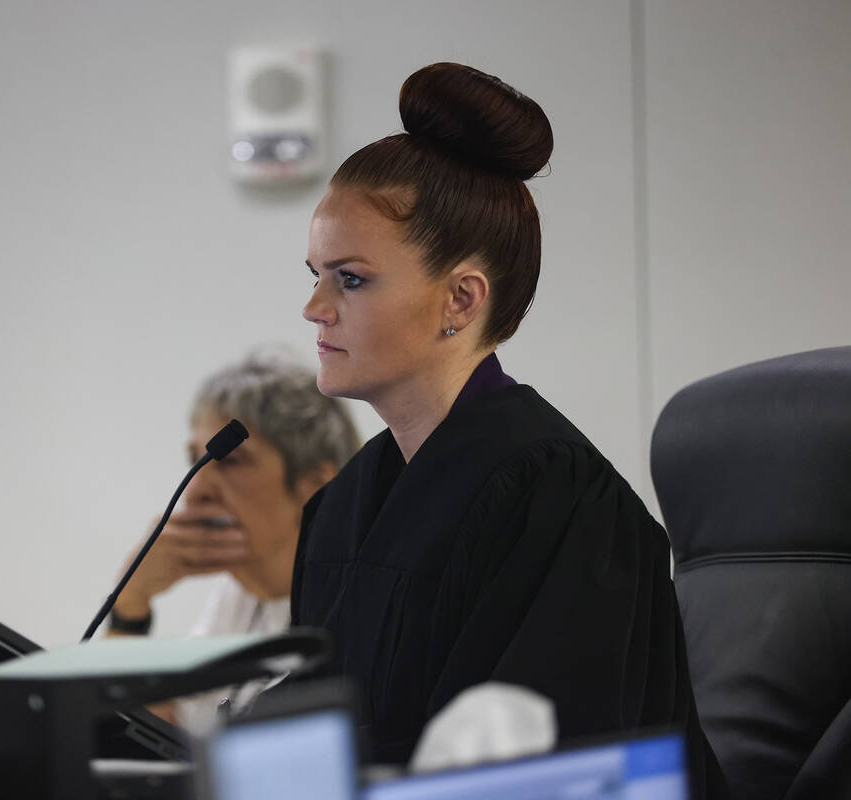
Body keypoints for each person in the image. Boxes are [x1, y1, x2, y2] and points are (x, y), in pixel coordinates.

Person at [292, 62, 726, 796]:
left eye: (350, 279)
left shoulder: (562, 499)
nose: (314, 308)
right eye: (314, 274)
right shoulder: (342, 504)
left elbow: (554, 776)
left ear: (461, 298)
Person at [108, 354, 359, 731]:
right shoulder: (241, 593)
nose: (196, 492)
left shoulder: (356, 613)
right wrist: (130, 604)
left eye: (230, 461)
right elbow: (162, 732)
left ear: (318, 488)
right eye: (197, 459)